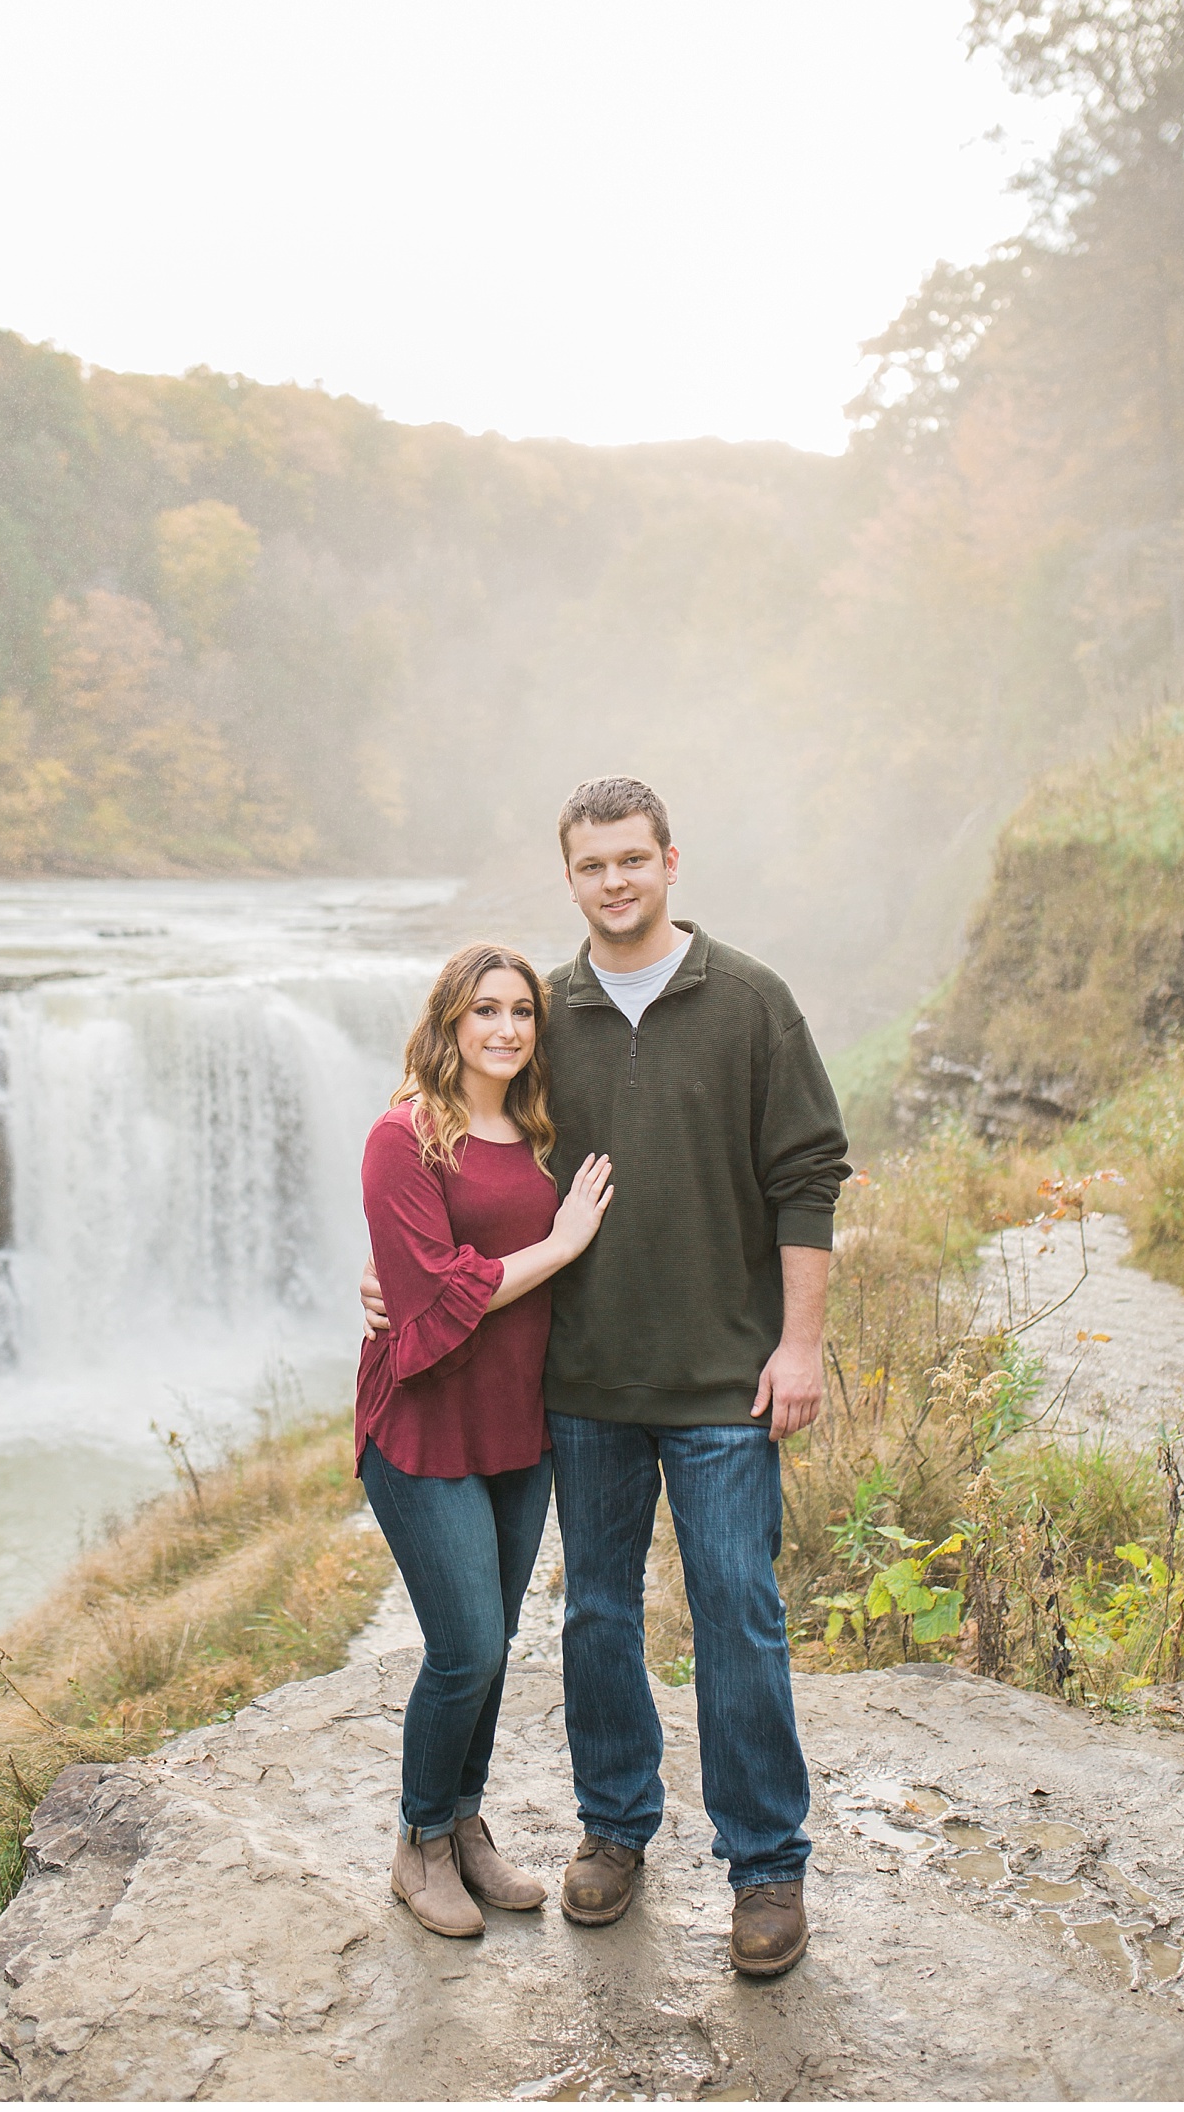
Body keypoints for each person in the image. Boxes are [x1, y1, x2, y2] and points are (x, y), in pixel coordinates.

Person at [364, 779, 849, 1977]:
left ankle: (766, 1867)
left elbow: (808, 1174)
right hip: (577, 1387)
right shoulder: (544, 1015)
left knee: (739, 1612)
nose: (616, 880)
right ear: (569, 875)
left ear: (671, 862)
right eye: (593, 865)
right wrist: (388, 1278)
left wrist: (799, 1344)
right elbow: (449, 1151)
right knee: (596, 1616)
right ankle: (614, 1829)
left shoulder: (748, 1001)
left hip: (725, 1383)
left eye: (635, 859)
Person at [356, 942, 613, 1940]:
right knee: (462, 1645)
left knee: (494, 1644)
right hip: (423, 1424)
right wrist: (558, 1244)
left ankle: (464, 1824)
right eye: (484, 1010)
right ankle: (417, 1840)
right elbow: (426, 1287)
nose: (505, 1027)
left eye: (521, 1011)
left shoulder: (541, 1135)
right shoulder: (405, 1134)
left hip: (517, 1423)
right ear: (449, 1023)